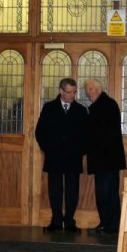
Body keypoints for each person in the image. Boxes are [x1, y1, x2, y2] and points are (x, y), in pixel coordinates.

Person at [35, 78, 88, 232]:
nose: (73, 95)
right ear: (61, 91)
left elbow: (86, 135)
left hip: (73, 157)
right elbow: (40, 132)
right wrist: (48, 149)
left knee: (72, 190)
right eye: (69, 92)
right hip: (54, 157)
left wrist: (80, 151)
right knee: (55, 189)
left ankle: (70, 221)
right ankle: (56, 220)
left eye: (74, 92)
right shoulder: (49, 108)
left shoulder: (80, 110)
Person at [85, 78, 126, 234]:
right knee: (104, 192)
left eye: (89, 89)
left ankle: (111, 224)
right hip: (105, 159)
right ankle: (107, 222)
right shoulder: (102, 105)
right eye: (87, 90)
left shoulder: (106, 105)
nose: (88, 93)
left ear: (97, 88)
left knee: (107, 192)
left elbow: (99, 132)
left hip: (107, 159)